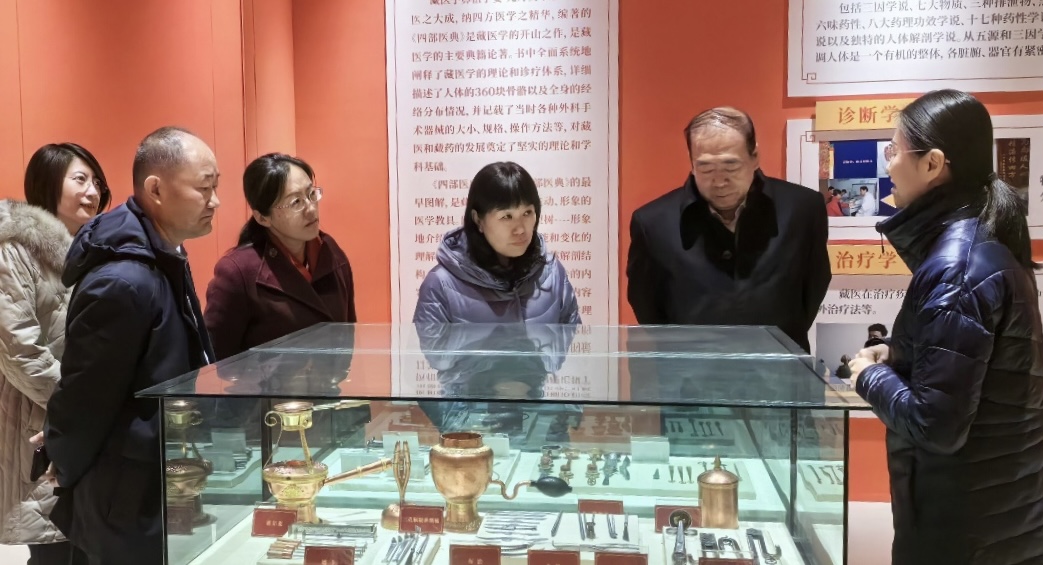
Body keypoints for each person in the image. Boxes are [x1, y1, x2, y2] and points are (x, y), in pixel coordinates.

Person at [848, 89, 1043, 565]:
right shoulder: (981, 244)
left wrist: (867, 375)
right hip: (996, 513)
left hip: (959, 524)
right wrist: (899, 354)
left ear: (932, 164)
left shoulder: (956, 268)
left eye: (894, 150)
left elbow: (935, 426)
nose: (888, 164)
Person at [43, 127, 219, 565]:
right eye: (204, 188)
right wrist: (62, 455)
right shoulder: (124, 280)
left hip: (152, 479)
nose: (215, 201)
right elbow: (86, 396)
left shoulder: (161, 255)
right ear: (155, 190)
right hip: (125, 497)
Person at [626, 107, 831, 352]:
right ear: (691, 162)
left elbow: (815, 284)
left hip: (779, 367)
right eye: (706, 169)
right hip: (692, 370)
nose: (720, 181)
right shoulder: (652, 223)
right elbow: (648, 308)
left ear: (755, 157)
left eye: (731, 167)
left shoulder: (803, 209)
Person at [1, 143, 109, 565]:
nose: (93, 191)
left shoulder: (93, 252)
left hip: (84, 418)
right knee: (53, 548)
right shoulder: (13, 251)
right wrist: (77, 403)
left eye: (96, 182)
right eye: (80, 179)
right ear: (48, 183)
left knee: (85, 544)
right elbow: (19, 349)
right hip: (38, 416)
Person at [204, 153, 357, 361]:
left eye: (311, 194)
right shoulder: (238, 272)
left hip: (330, 382)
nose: (311, 208)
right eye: (296, 202)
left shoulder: (332, 252)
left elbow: (348, 338)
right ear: (262, 217)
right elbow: (215, 359)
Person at [413, 161, 580, 324]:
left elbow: (575, 338)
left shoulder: (552, 273)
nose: (520, 229)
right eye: (507, 216)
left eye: (527, 213)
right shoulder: (440, 285)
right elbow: (430, 343)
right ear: (478, 220)